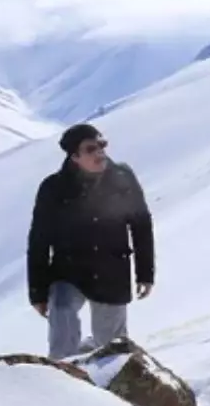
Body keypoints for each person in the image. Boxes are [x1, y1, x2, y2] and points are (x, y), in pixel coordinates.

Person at [27, 123, 155, 359]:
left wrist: (145, 273)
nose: (100, 153)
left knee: (111, 350)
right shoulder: (53, 188)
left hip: (111, 272)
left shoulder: (122, 178)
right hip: (68, 271)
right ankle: (62, 382)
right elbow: (39, 240)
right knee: (62, 321)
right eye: (91, 149)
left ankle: (107, 390)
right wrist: (38, 293)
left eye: (102, 145)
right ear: (74, 156)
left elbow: (141, 224)